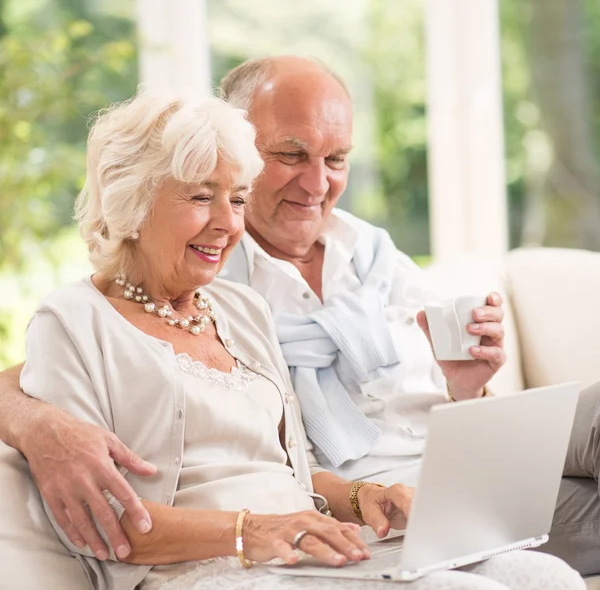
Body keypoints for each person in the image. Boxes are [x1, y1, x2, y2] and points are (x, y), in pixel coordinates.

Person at [0, 56, 596, 578]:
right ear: (132, 200)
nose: (227, 222)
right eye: (203, 195)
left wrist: (455, 405)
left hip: (399, 478)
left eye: (234, 197)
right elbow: (58, 382)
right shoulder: (112, 307)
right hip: (262, 543)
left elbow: (297, 472)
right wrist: (34, 424)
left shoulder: (300, 280)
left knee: (544, 561)